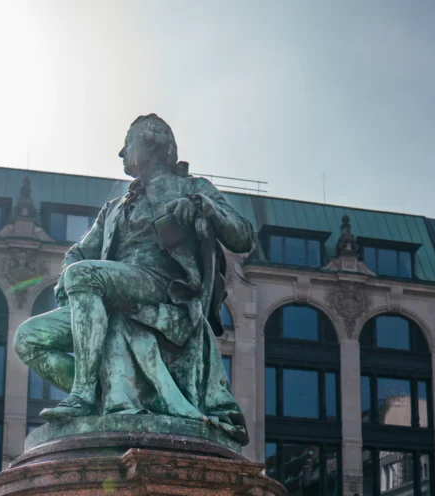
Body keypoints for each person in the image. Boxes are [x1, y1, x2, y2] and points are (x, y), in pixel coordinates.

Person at [13, 114, 254, 441]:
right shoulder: (113, 208)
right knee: (27, 338)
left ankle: (82, 395)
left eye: (128, 142)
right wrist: (70, 291)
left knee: (84, 276)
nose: (121, 152)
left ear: (151, 142)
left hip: (161, 286)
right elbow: (78, 254)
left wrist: (205, 208)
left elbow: (242, 237)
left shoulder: (193, 187)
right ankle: (103, 391)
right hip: (106, 288)